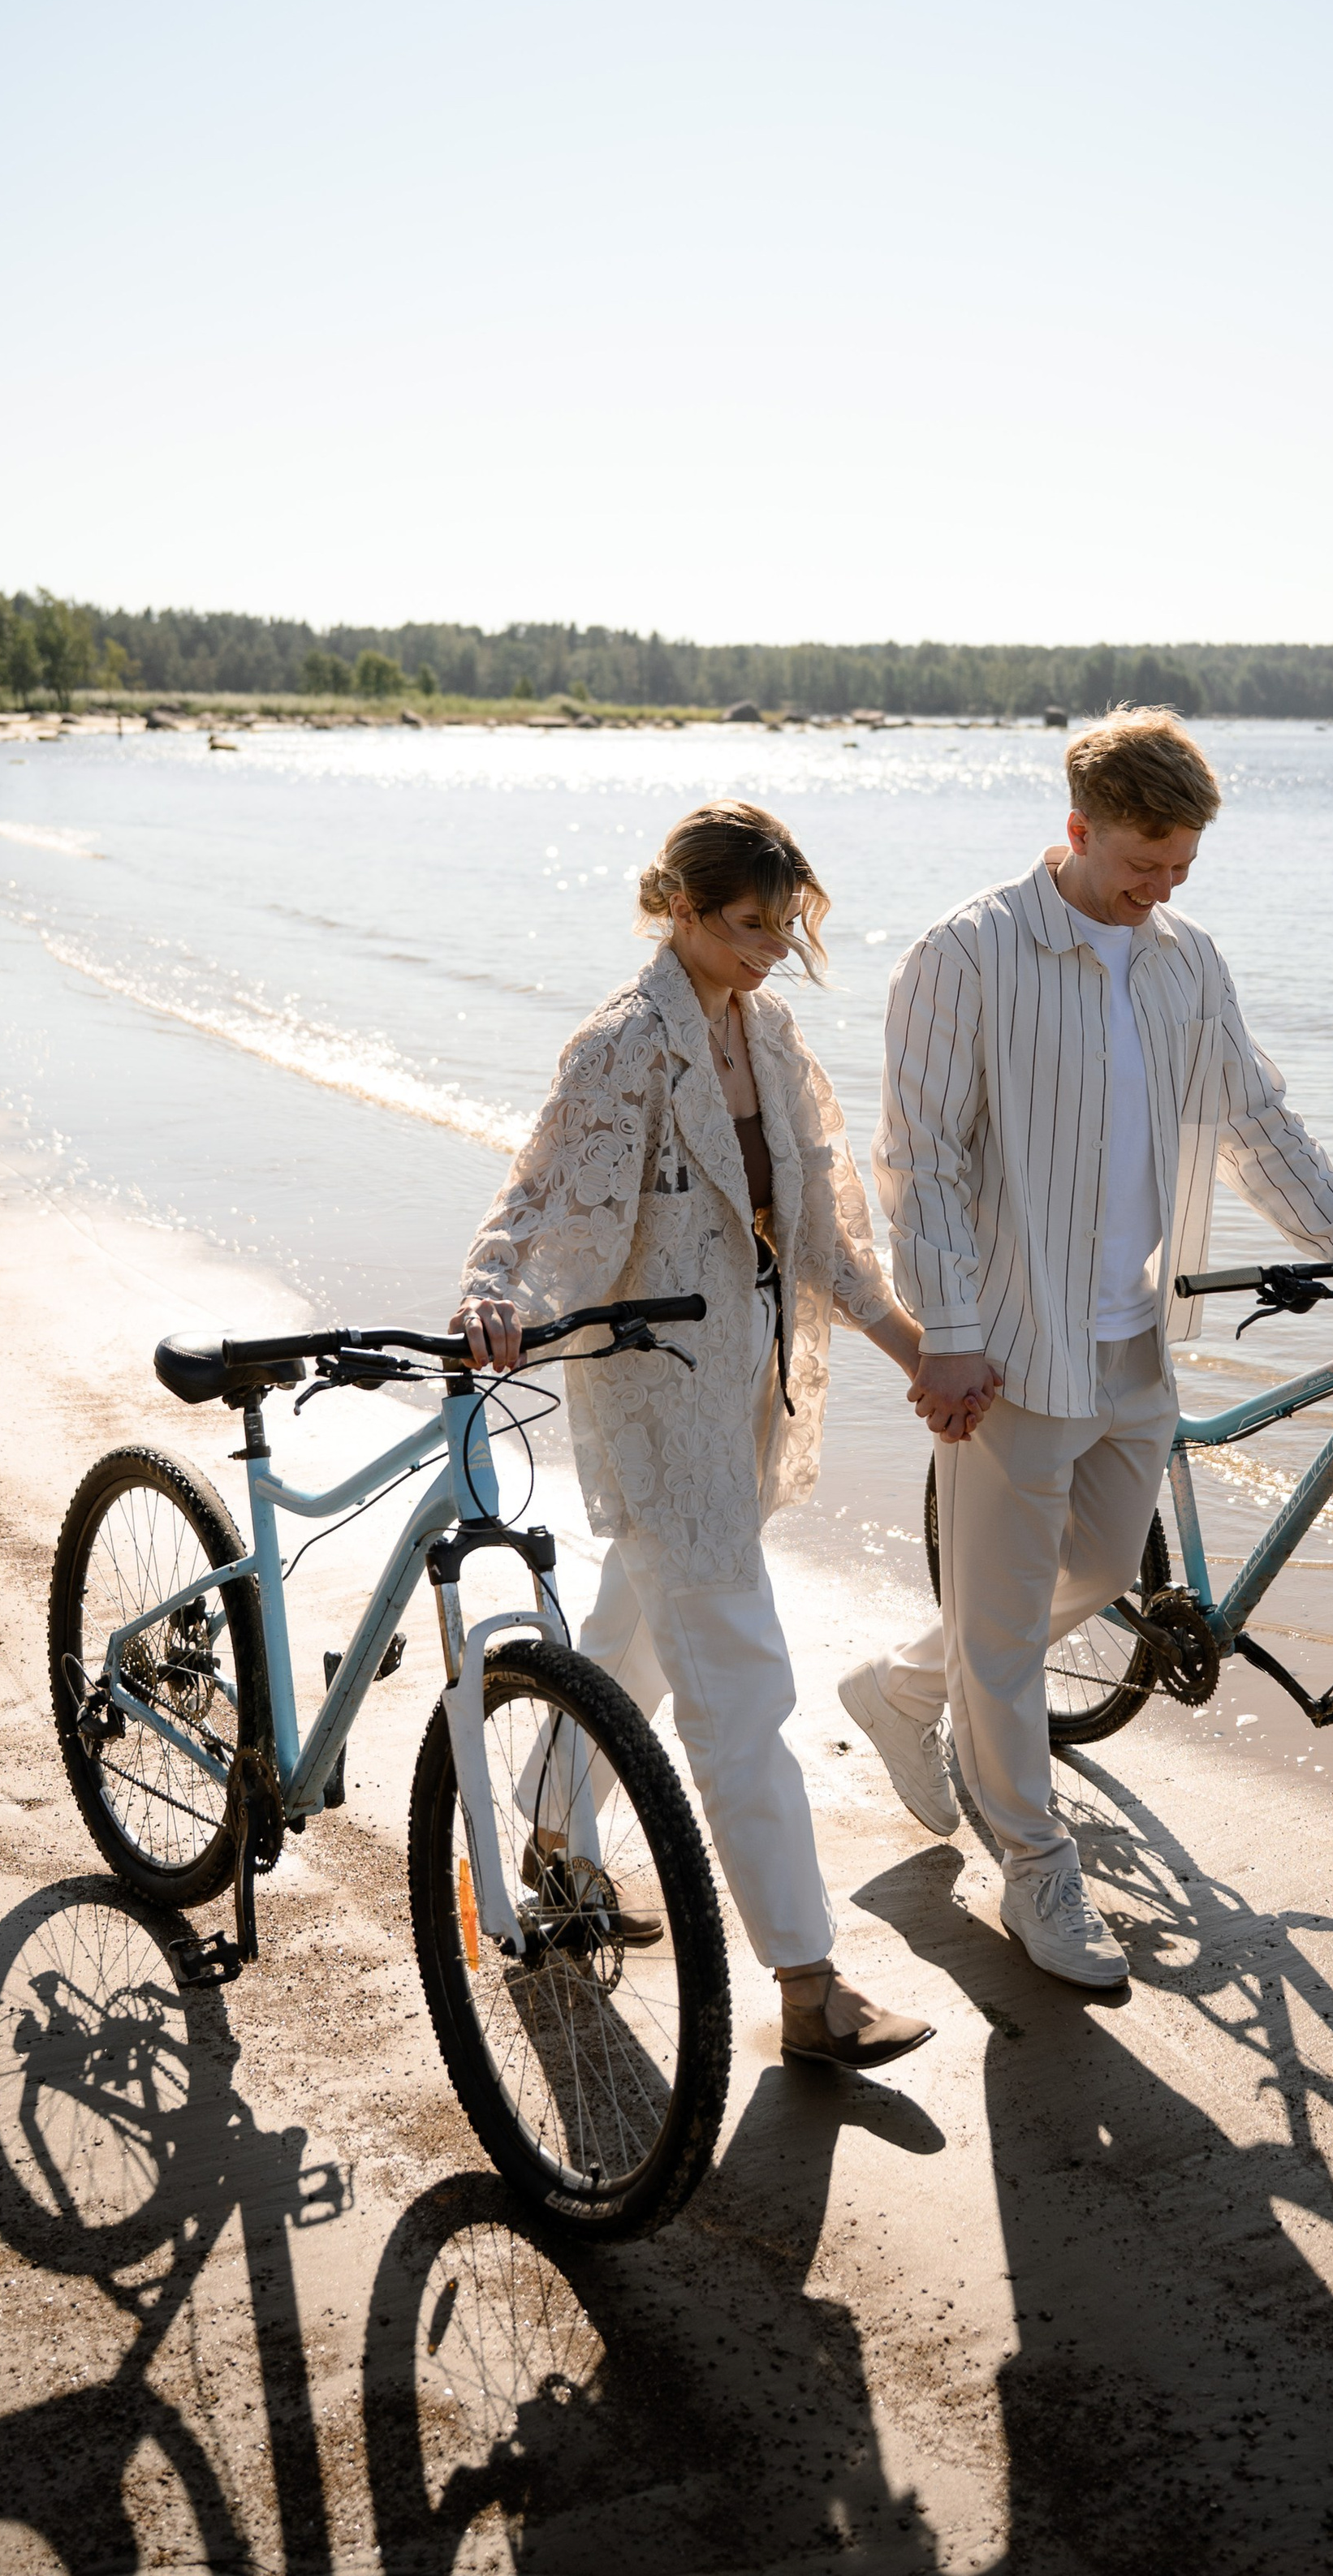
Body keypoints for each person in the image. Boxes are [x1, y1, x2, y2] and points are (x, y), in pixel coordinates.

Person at [838, 709, 1333, 1992]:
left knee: (1106, 1570)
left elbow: (1252, 1115)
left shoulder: (1188, 962)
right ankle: (1035, 1870)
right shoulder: (968, 954)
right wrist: (945, 1334)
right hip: (1008, 1344)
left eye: (1179, 868)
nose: (1158, 888)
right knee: (1005, 1640)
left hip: (1132, 1333)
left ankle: (904, 1685)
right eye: (1141, 863)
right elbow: (920, 1163)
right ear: (1076, 831)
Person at [454, 799, 937, 2070]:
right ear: (680, 906)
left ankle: (554, 1835)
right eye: (748, 924)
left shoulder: (767, 1032)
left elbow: (825, 1229)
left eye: (786, 925)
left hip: (744, 1392)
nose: (773, 947)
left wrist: (919, 1355)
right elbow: (540, 1189)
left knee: (628, 1626)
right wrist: (495, 1292)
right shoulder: (625, 1043)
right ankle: (810, 1984)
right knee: (739, 1688)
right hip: (657, 1403)